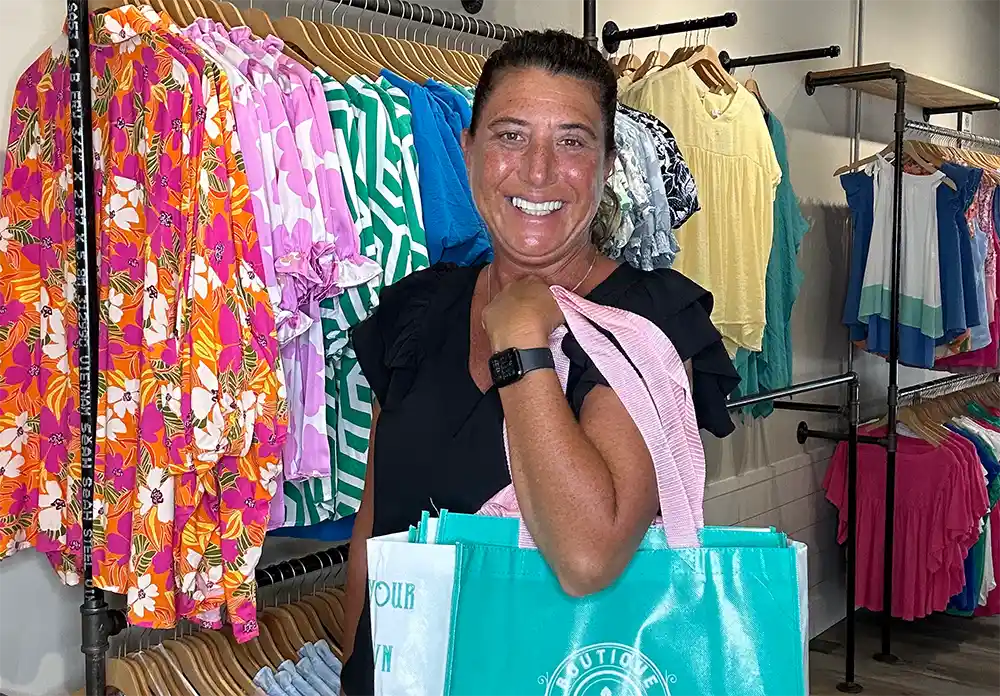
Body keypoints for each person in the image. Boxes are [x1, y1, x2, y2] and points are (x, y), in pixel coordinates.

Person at [338, 30, 740, 695]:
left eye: (574, 141)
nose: (539, 170)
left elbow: (588, 556)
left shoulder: (645, 324)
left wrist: (522, 338)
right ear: (469, 153)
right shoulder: (416, 312)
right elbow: (373, 534)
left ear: (609, 165)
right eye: (511, 135)